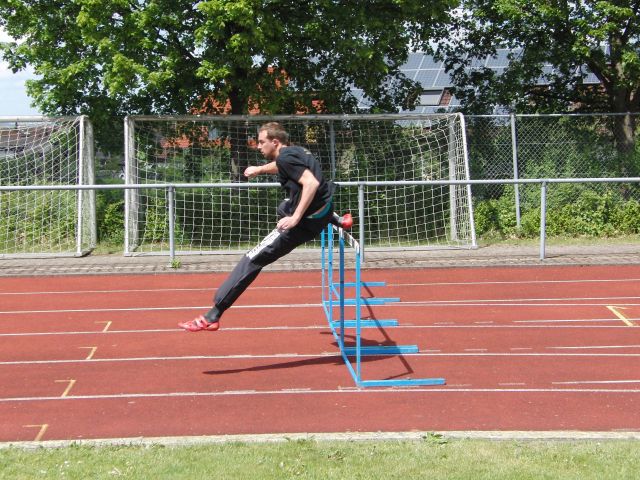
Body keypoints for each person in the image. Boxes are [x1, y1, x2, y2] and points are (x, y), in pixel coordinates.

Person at [178, 122, 352, 332]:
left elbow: (311, 183)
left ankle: (213, 315)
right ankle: (337, 219)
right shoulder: (296, 151)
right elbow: (281, 165)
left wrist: (295, 218)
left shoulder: (286, 158)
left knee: (252, 259)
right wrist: (259, 169)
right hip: (325, 208)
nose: (258, 146)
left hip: (305, 223)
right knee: (283, 206)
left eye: (262, 142)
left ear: (275, 142)